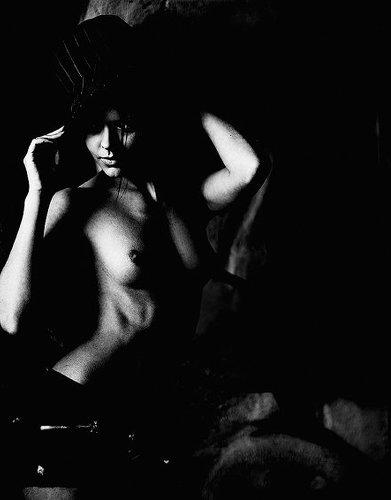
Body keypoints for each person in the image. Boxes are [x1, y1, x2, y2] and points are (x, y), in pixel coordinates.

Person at [0, 15, 269, 495]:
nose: (106, 144)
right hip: (76, 403)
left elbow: (250, 167)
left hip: (147, 416)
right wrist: (35, 194)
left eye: (121, 125)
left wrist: (177, 100)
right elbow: (11, 318)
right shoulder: (76, 203)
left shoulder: (181, 196)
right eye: (92, 128)